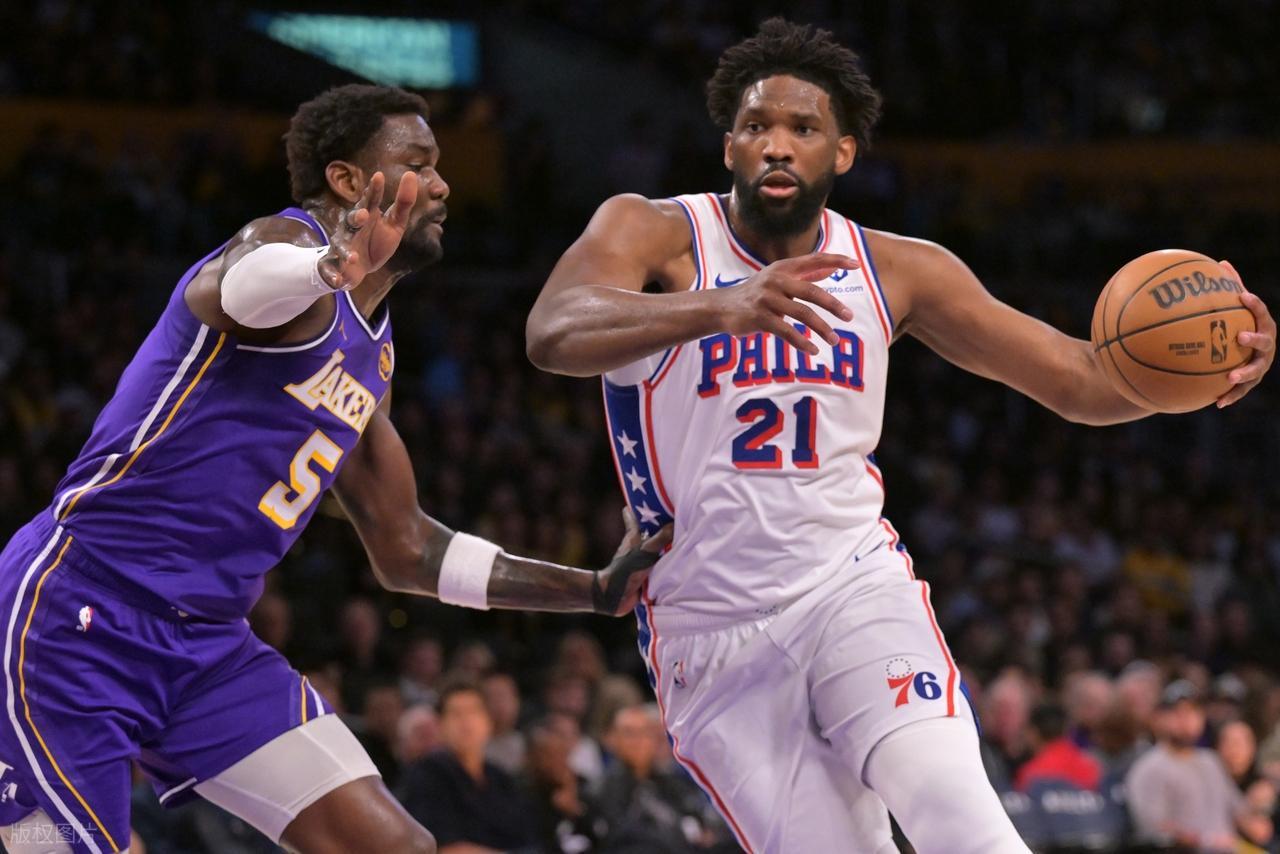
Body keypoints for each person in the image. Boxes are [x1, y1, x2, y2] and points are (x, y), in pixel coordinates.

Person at [525, 18, 1275, 854]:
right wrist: (721, 306)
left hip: (851, 588)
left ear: (843, 151)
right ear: (729, 145)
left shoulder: (897, 269)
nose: (777, 145)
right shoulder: (655, 233)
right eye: (755, 126)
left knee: (961, 816)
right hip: (707, 627)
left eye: (803, 128)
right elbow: (553, 331)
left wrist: (1217, 367)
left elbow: (1082, 379)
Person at [0, 84, 669, 854]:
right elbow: (233, 289)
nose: (442, 185)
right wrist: (325, 266)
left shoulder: (373, 355)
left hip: (206, 646)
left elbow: (408, 549)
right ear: (349, 180)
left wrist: (590, 589)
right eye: (419, 163)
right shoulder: (283, 247)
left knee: (396, 847)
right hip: (76, 614)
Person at [1126, 680, 1269, 851]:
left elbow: (1238, 811)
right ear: (1160, 718)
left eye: (1195, 711)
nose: (1187, 719)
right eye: (1178, 712)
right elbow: (1153, 830)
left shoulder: (1211, 761)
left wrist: (1254, 816)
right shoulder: (1149, 769)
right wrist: (1204, 840)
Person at [398, 681, 538, 854]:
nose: (466, 722)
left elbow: (527, 838)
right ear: (440, 725)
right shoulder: (427, 774)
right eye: (456, 714)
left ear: (488, 721)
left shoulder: (501, 779)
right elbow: (443, 847)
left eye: (473, 711)